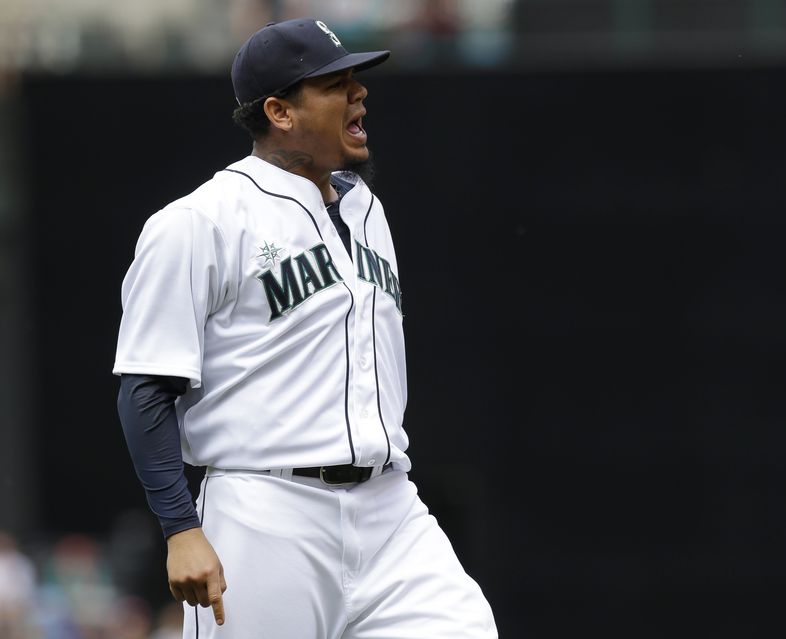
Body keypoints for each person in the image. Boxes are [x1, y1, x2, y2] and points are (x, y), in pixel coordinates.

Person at [113, 17, 498, 638]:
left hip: (390, 507)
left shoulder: (365, 208)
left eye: (356, 80)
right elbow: (146, 389)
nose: (359, 93)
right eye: (335, 83)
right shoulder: (198, 222)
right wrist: (182, 530)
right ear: (280, 111)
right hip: (266, 512)